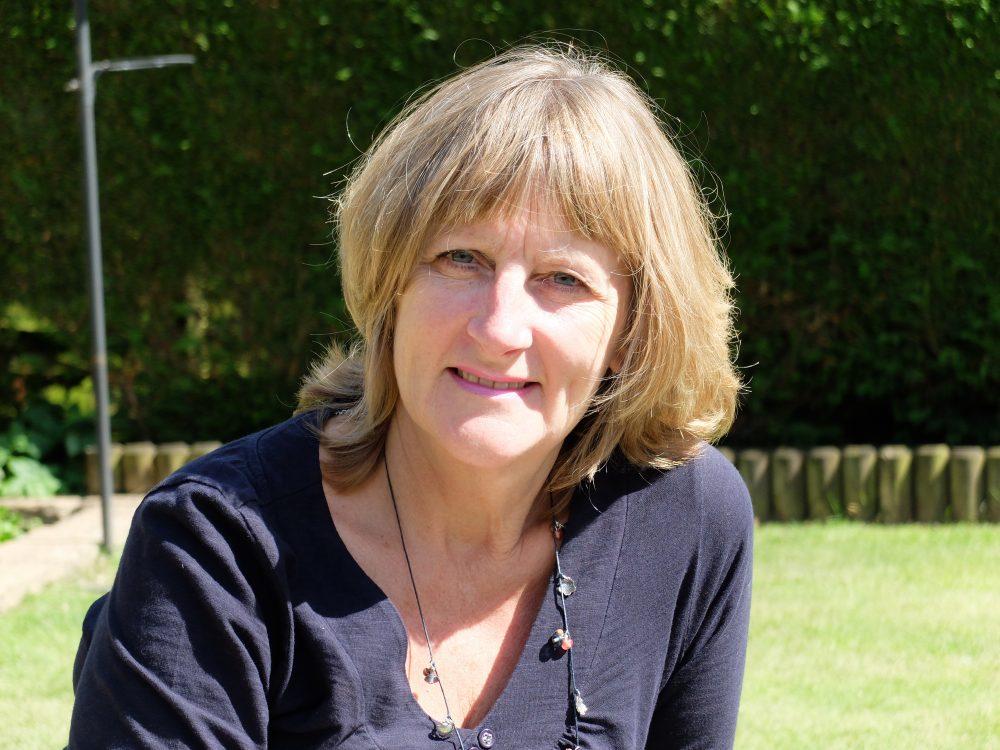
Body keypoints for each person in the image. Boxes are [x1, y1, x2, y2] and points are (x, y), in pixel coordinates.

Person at [69, 42, 753, 749]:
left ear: (632, 329)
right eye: (462, 259)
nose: (498, 328)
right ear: (392, 280)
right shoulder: (214, 551)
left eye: (564, 279)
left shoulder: (685, 518)